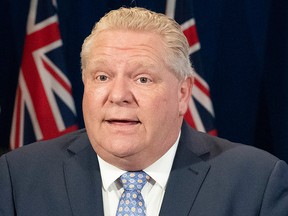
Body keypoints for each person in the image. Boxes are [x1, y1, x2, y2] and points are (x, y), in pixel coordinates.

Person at [0, 7, 288, 216]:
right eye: (102, 77)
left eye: (143, 79)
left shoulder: (257, 183)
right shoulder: (18, 177)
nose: (119, 96)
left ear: (182, 93)